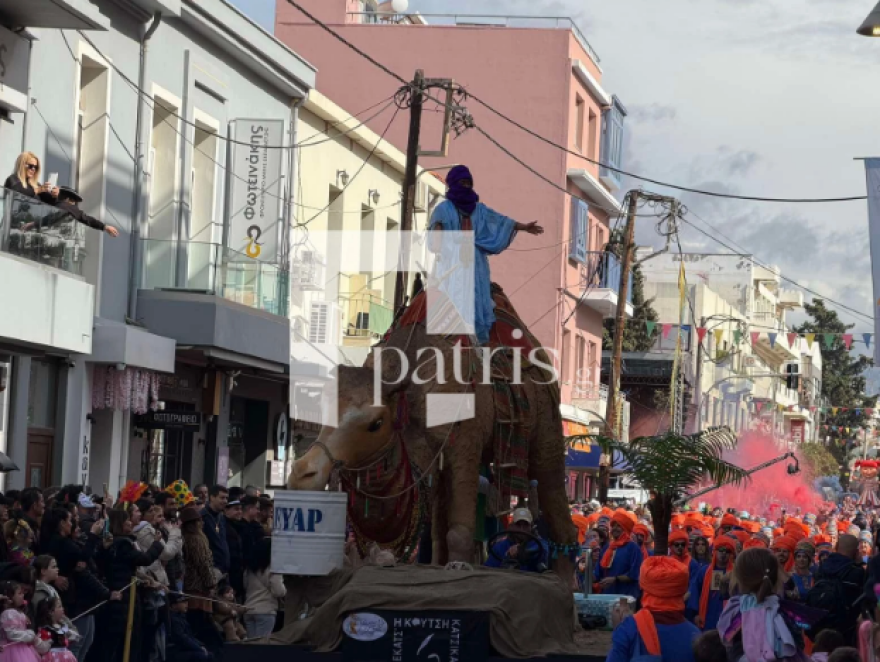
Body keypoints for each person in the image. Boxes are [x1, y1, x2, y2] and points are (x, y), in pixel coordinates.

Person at [428, 165, 544, 344]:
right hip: (451, 265)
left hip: (476, 266)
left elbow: (500, 221)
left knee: (478, 304)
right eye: (462, 182)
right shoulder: (442, 210)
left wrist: (523, 227)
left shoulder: (480, 210)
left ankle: (477, 343)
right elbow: (436, 241)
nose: (465, 186)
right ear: (453, 184)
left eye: (468, 183)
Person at [94, 509, 164, 662]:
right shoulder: (122, 543)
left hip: (124, 593)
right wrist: (157, 545)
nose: (130, 522)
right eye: (126, 519)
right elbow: (144, 559)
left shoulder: (116, 542)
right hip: (123, 597)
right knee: (122, 641)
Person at [717, 548, 808, 661]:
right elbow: (798, 645)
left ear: (740, 579)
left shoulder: (736, 611)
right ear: (775, 577)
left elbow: (728, 643)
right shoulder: (786, 611)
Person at [43, 508, 111, 662]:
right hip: (72, 599)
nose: (73, 523)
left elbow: (84, 561)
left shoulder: (69, 541)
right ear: (62, 523)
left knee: (87, 640)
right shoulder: (59, 542)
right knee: (76, 643)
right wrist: (93, 534)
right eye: (69, 520)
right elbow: (81, 559)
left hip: (82, 598)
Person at [605, 556, 700, 662]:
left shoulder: (629, 629)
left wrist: (619, 629)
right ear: (682, 591)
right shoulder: (696, 636)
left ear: (643, 587)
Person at [808, 534, 867, 647]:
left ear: (836, 547)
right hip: (845, 631)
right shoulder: (857, 572)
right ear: (856, 552)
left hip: (819, 626)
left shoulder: (822, 567)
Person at [179, 506, 222, 656]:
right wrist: (211, 583)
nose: (202, 523)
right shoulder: (196, 539)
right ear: (194, 523)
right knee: (201, 621)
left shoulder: (186, 537)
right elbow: (203, 563)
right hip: (198, 586)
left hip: (191, 584)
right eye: (199, 520)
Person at [688, 536, 735, 631]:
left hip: (727, 620)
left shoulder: (736, 573)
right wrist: (696, 614)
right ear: (714, 551)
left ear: (731, 554)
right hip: (706, 618)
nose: (724, 553)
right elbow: (695, 592)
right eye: (721, 550)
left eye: (727, 551)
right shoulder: (704, 571)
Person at [243, 538, 285, 640]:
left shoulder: (249, 570)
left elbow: (245, 586)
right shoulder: (273, 569)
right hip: (266, 611)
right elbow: (278, 591)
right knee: (262, 645)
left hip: (248, 610)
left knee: (251, 645)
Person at [595, 511, 642, 599]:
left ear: (625, 529)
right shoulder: (607, 547)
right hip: (607, 594)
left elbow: (635, 574)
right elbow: (599, 571)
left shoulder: (633, 548)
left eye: (619, 526)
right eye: (613, 526)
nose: (615, 528)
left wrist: (615, 579)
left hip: (626, 596)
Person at [484, 508, 548, 572]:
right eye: (518, 524)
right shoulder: (500, 546)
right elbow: (488, 569)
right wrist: (508, 557)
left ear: (531, 526)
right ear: (512, 526)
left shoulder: (538, 544)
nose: (522, 528)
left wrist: (523, 551)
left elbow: (544, 550)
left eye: (526, 524)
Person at [0, 580, 48, 662]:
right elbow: (11, 634)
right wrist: (29, 635)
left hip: (23, 648)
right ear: (10, 597)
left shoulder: (17, 612)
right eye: (19, 593)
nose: (23, 596)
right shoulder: (8, 613)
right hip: (12, 650)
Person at [47, 188, 118, 237]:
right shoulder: (69, 207)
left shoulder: (49, 204)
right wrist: (104, 227)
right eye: (73, 200)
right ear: (67, 199)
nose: (74, 204)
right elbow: (86, 219)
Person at [166, 595, 212, 662]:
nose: (186, 604)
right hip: (175, 650)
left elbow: (190, 636)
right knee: (201, 656)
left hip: (183, 649)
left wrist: (200, 645)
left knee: (209, 654)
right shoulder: (172, 619)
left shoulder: (181, 617)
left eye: (186, 602)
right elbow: (183, 639)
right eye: (183, 602)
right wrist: (199, 648)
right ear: (174, 605)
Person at [34, 596, 77, 662]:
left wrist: (70, 635)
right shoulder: (46, 629)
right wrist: (49, 641)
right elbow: (41, 646)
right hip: (53, 658)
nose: (63, 609)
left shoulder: (62, 626)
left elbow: (73, 637)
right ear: (50, 612)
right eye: (59, 607)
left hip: (66, 656)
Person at [200, 486, 229, 578]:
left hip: (223, 569)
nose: (225, 501)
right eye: (222, 498)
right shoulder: (201, 518)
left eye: (226, 498)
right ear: (212, 497)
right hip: (210, 570)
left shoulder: (221, 517)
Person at [223, 500, 244, 599]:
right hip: (230, 576)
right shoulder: (225, 528)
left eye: (240, 509)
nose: (239, 512)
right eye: (236, 509)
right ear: (226, 511)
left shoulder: (236, 526)